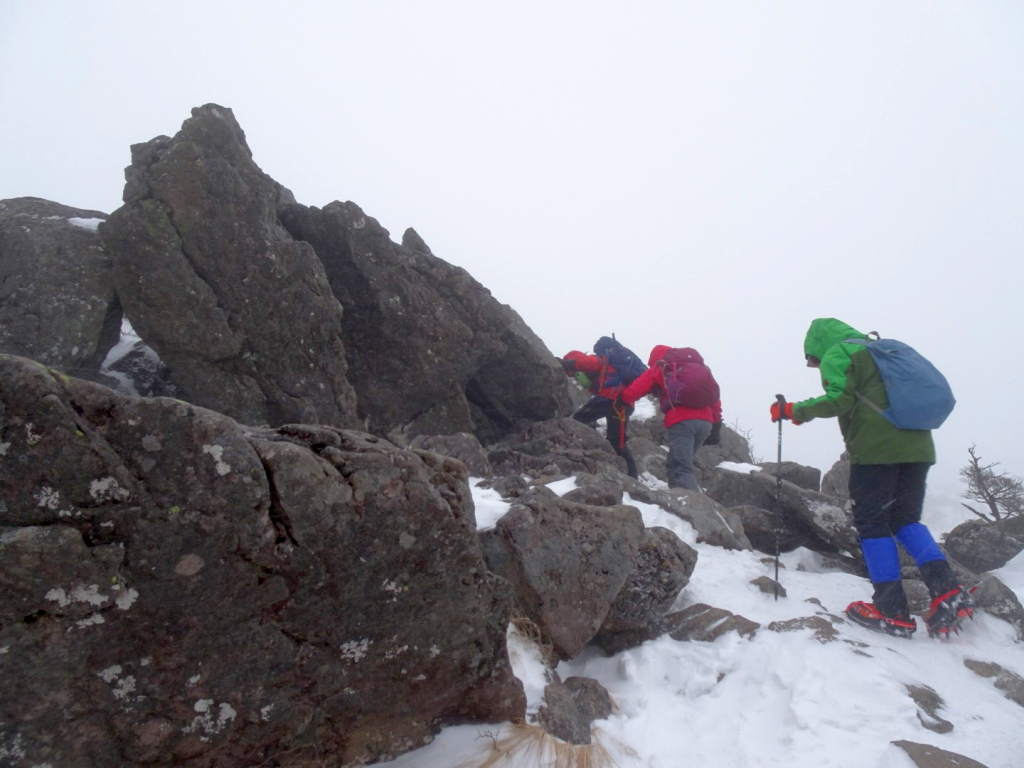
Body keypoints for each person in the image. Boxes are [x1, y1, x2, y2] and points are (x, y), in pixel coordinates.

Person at [771, 317, 973, 638]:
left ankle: (891, 610)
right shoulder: (880, 350)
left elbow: (840, 399)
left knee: (871, 522)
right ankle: (947, 589)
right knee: (905, 520)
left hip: (877, 450)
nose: (815, 365)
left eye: (813, 360)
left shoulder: (840, 353)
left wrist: (795, 410)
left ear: (818, 346)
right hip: (918, 447)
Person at [615, 345, 722, 491]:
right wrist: (716, 425)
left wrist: (623, 398)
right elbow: (715, 400)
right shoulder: (697, 367)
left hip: (682, 422)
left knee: (681, 468)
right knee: (673, 463)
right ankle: (677, 499)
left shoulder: (662, 366)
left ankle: (697, 508)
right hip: (705, 423)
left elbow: (641, 385)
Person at [561, 349, 639, 479]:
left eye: (574, 374)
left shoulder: (594, 360)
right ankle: (631, 477)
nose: (574, 376)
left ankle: (631, 477)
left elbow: (583, 364)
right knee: (616, 441)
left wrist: (566, 364)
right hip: (621, 403)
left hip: (612, 399)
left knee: (578, 419)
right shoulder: (602, 370)